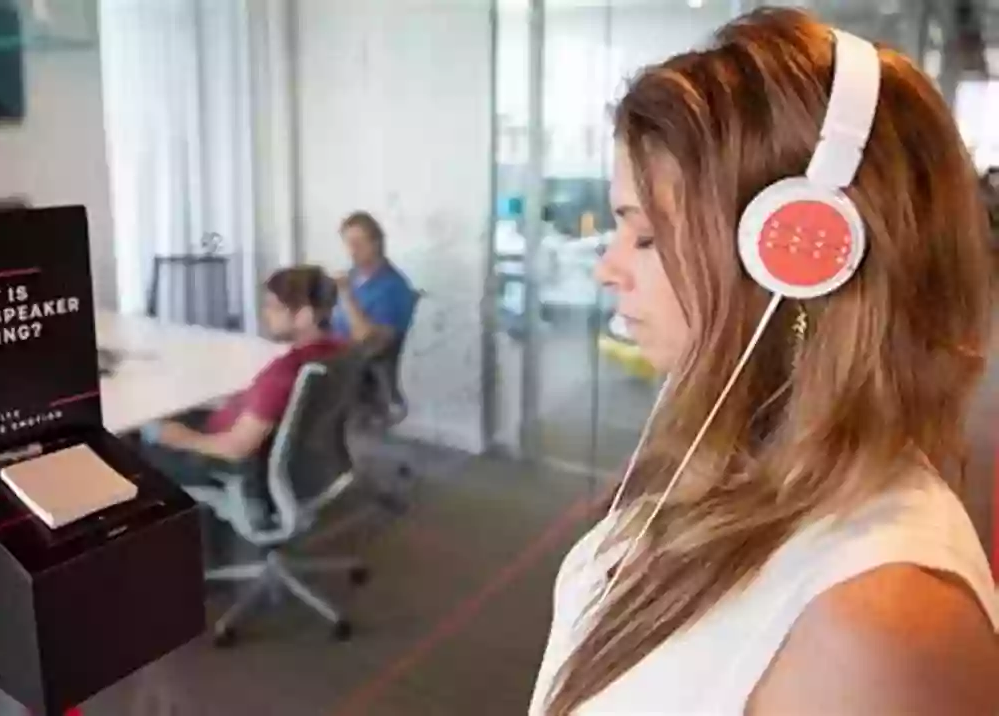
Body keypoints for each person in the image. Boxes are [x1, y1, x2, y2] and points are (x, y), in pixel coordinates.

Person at [530, 10, 998, 716]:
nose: (607, 269)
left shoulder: (879, 621)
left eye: (647, 237)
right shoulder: (729, 455)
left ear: (795, 256)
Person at [153, 266, 343, 474]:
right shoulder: (340, 352)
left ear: (304, 316)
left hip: (219, 461)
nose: (265, 314)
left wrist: (182, 439)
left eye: (273, 307)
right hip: (299, 458)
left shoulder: (285, 372)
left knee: (133, 447)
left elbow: (237, 448)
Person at [331, 211, 417, 343]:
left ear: (375, 243)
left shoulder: (393, 288)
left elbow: (367, 340)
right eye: (349, 244)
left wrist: (346, 295)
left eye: (358, 244)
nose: (353, 251)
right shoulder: (351, 276)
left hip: (367, 361)